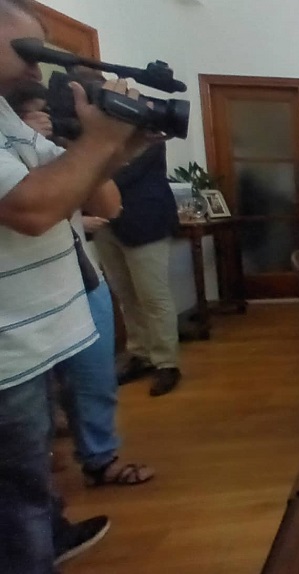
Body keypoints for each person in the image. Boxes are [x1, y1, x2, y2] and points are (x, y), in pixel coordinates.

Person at [0, 0, 154, 570]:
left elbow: (103, 200)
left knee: (30, 477)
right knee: (16, 494)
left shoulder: (10, 121)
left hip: (37, 334)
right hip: (9, 344)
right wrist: (97, 142)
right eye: (27, 50)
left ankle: (49, 536)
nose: (37, 66)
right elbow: (33, 210)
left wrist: (116, 146)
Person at [11, 82, 155, 488]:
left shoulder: (53, 148)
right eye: (30, 113)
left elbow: (109, 205)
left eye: (44, 111)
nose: (42, 119)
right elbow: (33, 212)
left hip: (79, 277)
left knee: (94, 377)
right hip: (20, 297)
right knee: (28, 403)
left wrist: (84, 147)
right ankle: (40, 480)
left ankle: (99, 457)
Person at [92, 141, 182, 396]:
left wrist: (87, 173)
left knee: (154, 297)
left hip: (146, 223)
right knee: (125, 296)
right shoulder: (96, 130)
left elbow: (124, 174)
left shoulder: (148, 130)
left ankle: (166, 363)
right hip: (105, 225)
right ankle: (140, 355)